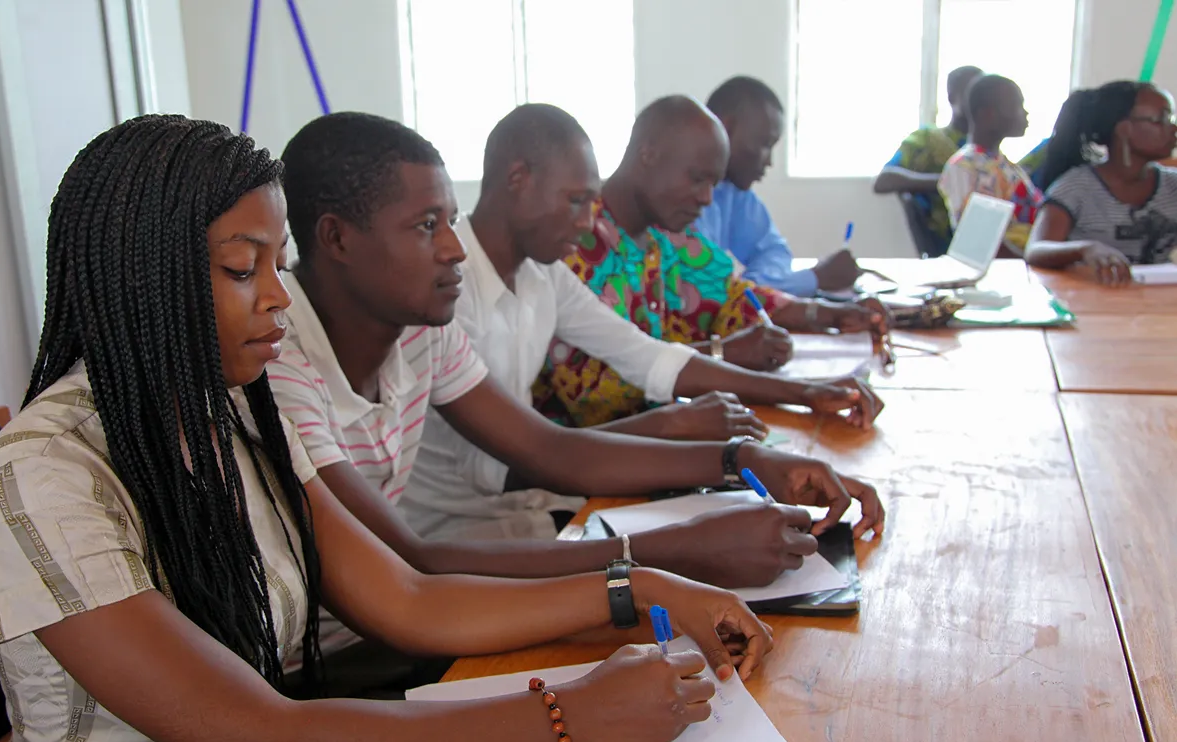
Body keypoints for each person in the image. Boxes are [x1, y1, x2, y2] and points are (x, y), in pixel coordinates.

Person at [0, 114, 806, 742]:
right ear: (139, 275)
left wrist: (639, 587)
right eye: (240, 269)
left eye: (275, 263)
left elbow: (406, 596)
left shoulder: (235, 413)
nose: (278, 299)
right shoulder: (42, 470)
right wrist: (571, 713)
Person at [270, 113, 884, 571]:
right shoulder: (283, 363)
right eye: (429, 225)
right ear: (337, 239)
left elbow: (558, 446)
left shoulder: (426, 329)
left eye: (448, 222)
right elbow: (417, 556)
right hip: (422, 579)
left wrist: (744, 458)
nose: (452, 247)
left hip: (469, 553)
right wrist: (668, 546)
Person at [536, 95, 889, 433]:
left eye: (713, 183)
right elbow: (600, 391)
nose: (706, 198)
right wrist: (726, 353)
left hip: (659, 438)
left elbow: (731, 296)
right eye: (696, 178)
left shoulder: (665, 235)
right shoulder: (574, 243)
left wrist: (827, 314)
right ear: (648, 155)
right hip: (577, 466)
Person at [696, 76, 858, 296]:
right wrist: (815, 279)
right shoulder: (684, 201)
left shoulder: (733, 193)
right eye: (764, 144)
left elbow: (773, 250)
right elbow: (709, 296)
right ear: (727, 128)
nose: (769, 161)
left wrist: (756, 289)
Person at [1026, 81, 1177, 285]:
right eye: (1161, 119)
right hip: (1093, 303)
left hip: (1157, 303)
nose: (1173, 128)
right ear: (1124, 129)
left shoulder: (1172, 185)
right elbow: (1036, 249)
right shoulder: (1077, 187)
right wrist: (1086, 249)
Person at [874, 66, 984, 252]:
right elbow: (884, 180)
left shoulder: (987, 152)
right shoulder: (927, 139)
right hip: (952, 244)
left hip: (986, 240)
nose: (979, 102)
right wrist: (946, 182)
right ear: (952, 97)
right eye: (971, 93)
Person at [938, 74, 1043, 256]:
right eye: (1016, 105)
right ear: (987, 114)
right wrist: (1031, 260)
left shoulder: (1003, 164)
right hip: (1011, 267)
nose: (1024, 113)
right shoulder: (963, 167)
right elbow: (977, 240)